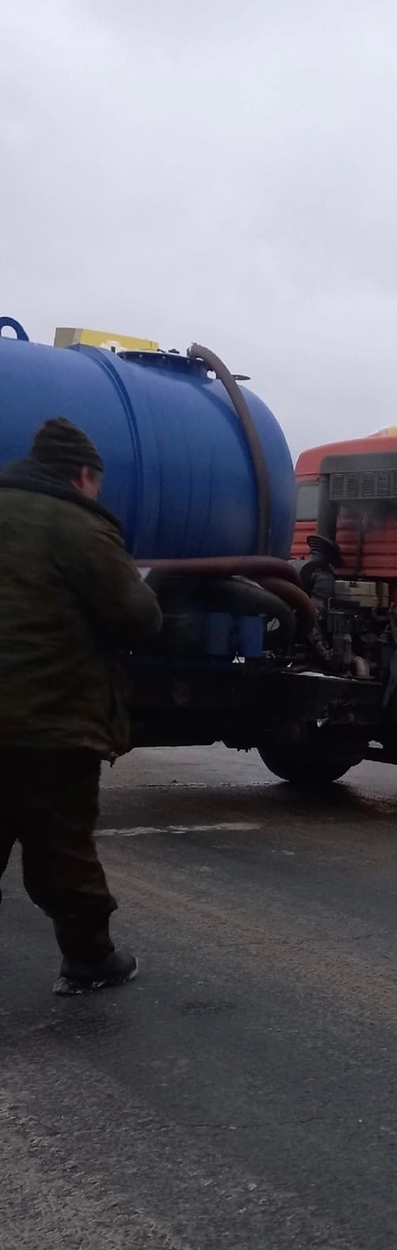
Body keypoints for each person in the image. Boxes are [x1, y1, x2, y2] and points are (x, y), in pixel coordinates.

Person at [0, 418, 162, 995]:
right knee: (62, 849)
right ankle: (90, 961)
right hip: (50, 721)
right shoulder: (78, 524)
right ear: (84, 474)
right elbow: (137, 614)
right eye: (97, 482)